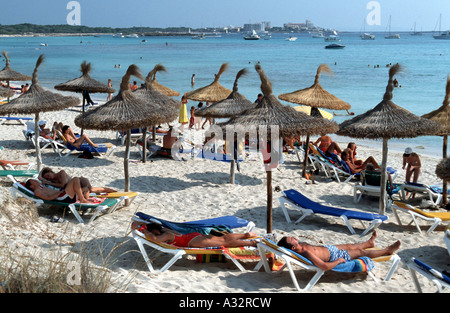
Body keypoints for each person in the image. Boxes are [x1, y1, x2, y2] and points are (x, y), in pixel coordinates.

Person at [277, 231, 401, 271]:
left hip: (329, 249)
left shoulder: (302, 245)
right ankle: (387, 250)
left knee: (350, 245)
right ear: (293, 248)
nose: (293, 237)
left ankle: (369, 243)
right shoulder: (305, 253)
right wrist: (337, 261)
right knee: (360, 253)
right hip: (334, 256)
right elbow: (324, 266)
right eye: (291, 239)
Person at [131, 220, 258, 248]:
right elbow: (139, 221)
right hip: (194, 235)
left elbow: (154, 238)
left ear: (154, 230)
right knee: (222, 238)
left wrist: (143, 230)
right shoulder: (165, 230)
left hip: (192, 241)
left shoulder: (166, 235)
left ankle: (252, 243)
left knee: (224, 242)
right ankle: (245, 235)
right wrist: (139, 225)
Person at [38, 167, 117, 194]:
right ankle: (107, 189)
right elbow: (39, 177)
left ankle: (108, 189)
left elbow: (62, 185)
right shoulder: (53, 182)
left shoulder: (61, 173)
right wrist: (44, 178)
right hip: (76, 187)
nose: (49, 178)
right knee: (91, 190)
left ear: (51, 172)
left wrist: (47, 182)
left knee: (91, 190)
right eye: (47, 178)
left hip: (80, 181)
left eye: (48, 175)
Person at [25, 177, 95, 204]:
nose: (36, 180)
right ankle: (82, 199)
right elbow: (48, 198)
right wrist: (59, 193)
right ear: (31, 186)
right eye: (34, 181)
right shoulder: (37, 191)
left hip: (63, 194)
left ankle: (86, 198)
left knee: (84, 185)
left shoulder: (41, 187)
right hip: (61, 197)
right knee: (75, 179)